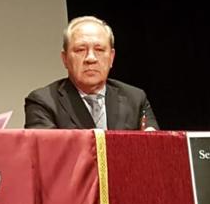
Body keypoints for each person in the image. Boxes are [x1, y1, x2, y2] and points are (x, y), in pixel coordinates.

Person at [23, 16, 157, 130]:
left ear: (111, 57)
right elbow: (48, 154)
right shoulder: (44, 102)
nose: (90, 58)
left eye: (99, 49)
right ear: (65, 59)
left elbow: (153, 150)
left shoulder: (135, 98)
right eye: (80, 50)